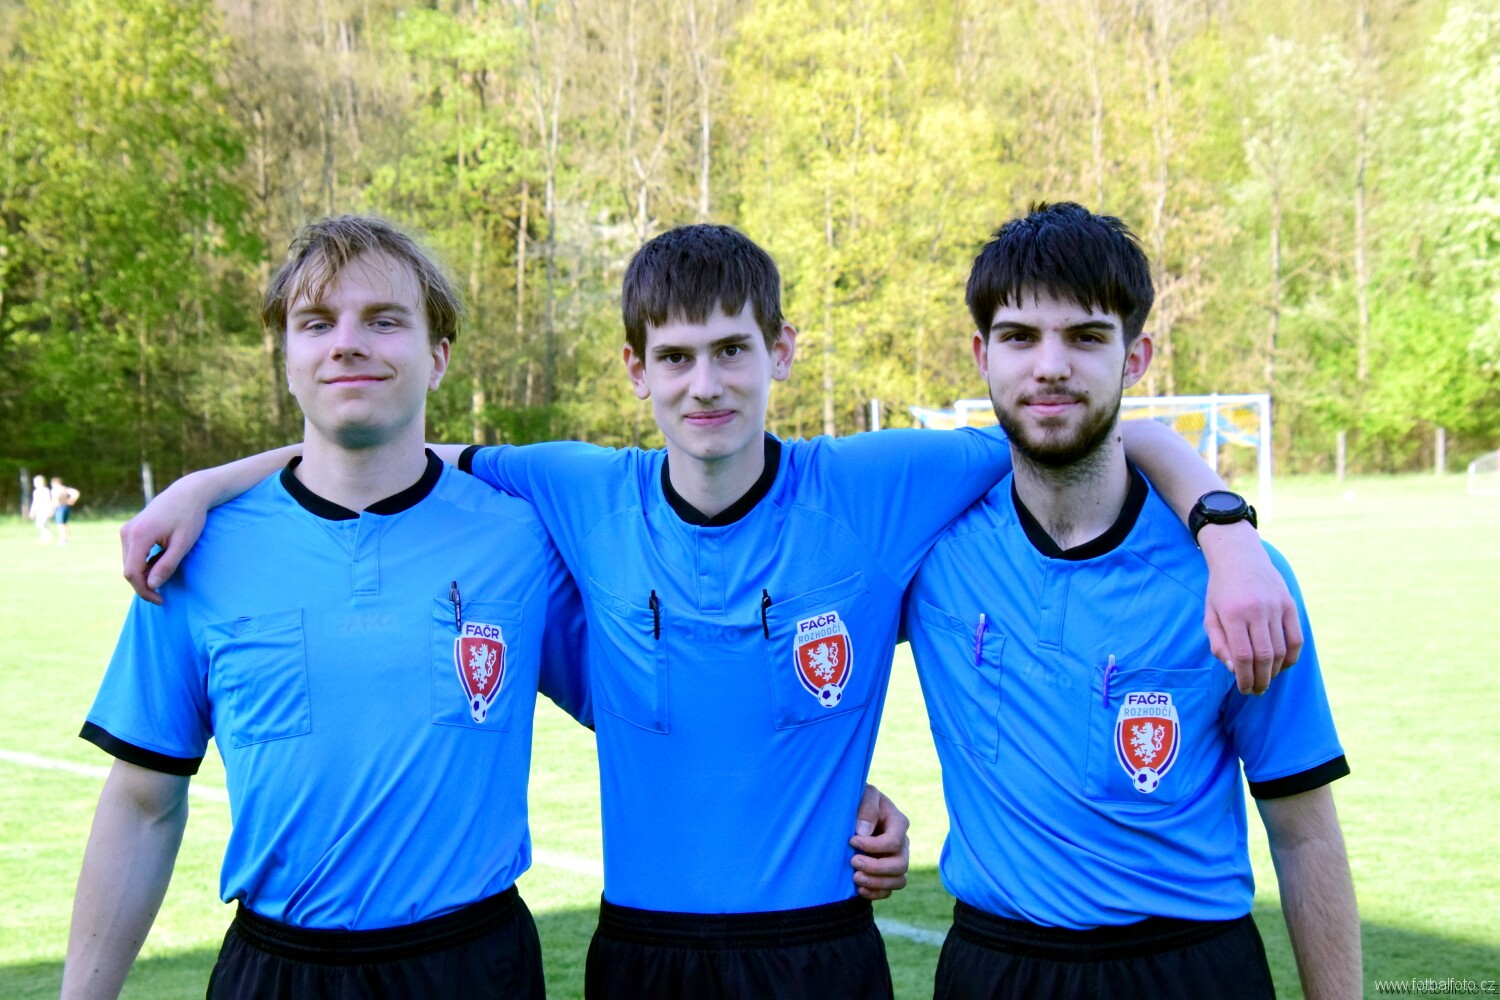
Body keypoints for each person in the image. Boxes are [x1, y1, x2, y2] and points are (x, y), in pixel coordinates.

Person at [119, 224, 1300, 999]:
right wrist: (206, 484)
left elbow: (1081, 422)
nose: (706, 383)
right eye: (676, 357)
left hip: (822, 953)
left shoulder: (881, 485)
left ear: (780, 351)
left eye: (733, 350)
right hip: (643, 952)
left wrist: (1223, 524)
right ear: (636, 371)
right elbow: (376, 445)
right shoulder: (574, 489)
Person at [64, 216, 589, 999]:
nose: (346, 344)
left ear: (438, 358)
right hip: (277, 971)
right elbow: (143, 804)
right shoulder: (195, 553)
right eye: (316, 323)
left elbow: (642, 714)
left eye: (384, 320)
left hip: (474, 966)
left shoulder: (520, 538)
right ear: (287, 358)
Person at [904, 202, 1359, 999]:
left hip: (1189, 969)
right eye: (1020, 337)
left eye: (1086, 337)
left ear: (1135, 357)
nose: (1051, 366)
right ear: (982, 355)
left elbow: (1304, 835)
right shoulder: (927, 545)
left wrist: (1225, 531)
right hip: (993, 969)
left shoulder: (1240, 583)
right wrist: (853, 797)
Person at [50, 476, 81, 545]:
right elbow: (76, 492)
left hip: (59, 508)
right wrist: (71, 500)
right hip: (66, 507)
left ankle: (62, 539)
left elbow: (55, 501)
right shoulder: (64, 489)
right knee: (65, 524)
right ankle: (66, 538)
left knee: (60, 524)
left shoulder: (55, 490)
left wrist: (52, 510)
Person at [28, 473, 55, 544]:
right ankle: (44, 537)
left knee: (43, 524)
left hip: (45, 509)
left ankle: (47, 538)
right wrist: (32, 511)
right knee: (40, 524)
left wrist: (50, 509)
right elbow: (35, 502)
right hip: (39, 510)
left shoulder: (45, 490)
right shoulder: (35, 492)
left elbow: (49, 500)